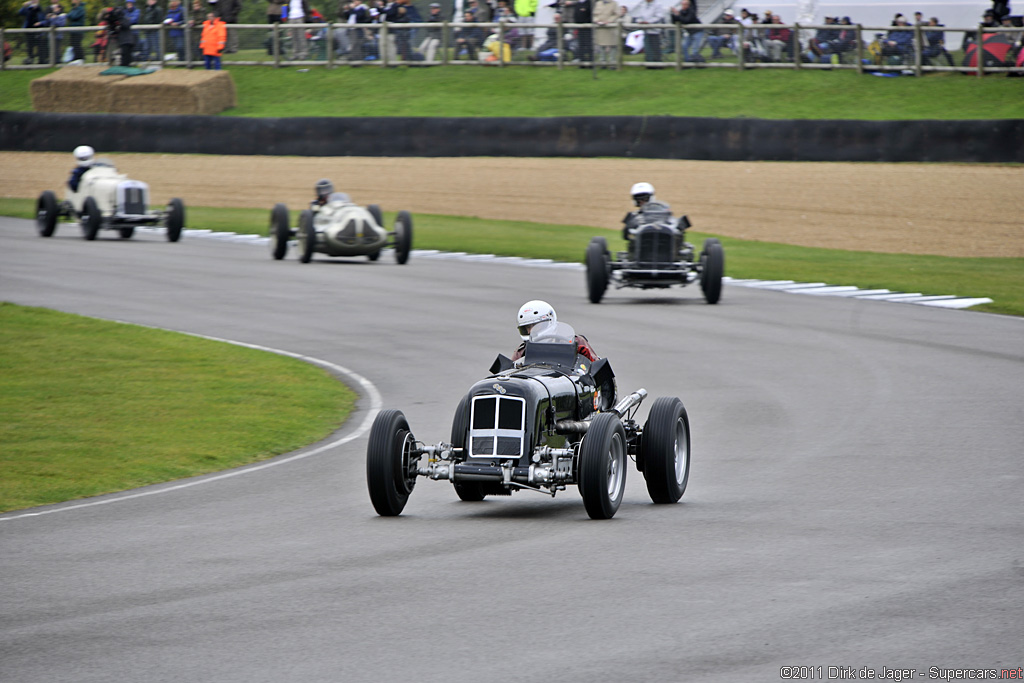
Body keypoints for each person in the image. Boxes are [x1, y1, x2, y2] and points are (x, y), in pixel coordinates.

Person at [512, 300, 598, 363]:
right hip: (538, 385)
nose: (530, 331)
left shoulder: (575, 341)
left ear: (550, 321)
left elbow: (596, 367)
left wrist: (584, 356)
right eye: (526, 328)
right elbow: (509, 372)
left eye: (535, 326)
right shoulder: (523, 351)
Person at [592, 0, 618, 66]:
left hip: (610, 28)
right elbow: (594, 14)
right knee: (601, 45)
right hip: (601, 28)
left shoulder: (614, 3)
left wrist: (609, 21)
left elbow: (617, 14)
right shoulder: (598, 3)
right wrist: (596, 20)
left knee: (612, 45)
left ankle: (612, 63)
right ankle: (602, 62)